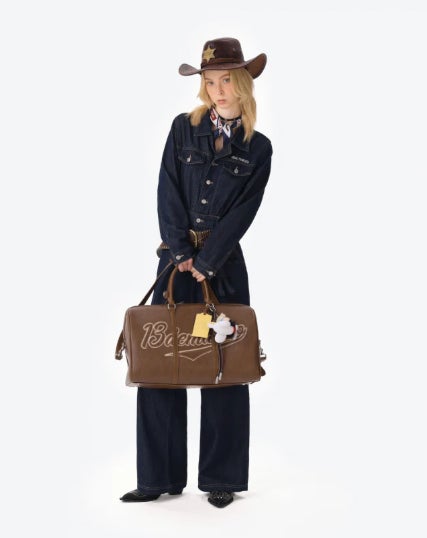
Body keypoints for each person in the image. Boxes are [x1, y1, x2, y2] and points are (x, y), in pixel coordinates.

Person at [120, 37, 273, 509]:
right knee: (161, 362)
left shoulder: (258, 148)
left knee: (225, 365)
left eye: (226, 80)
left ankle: (221, 478)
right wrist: (182, 252)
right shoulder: (182, 130)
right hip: (175, 262)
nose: (217, 90)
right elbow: (167, 190)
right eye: (209, 81)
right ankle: (158, 478)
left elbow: (244, 212)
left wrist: (207, 262)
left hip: (222, 268)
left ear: (242, 83)